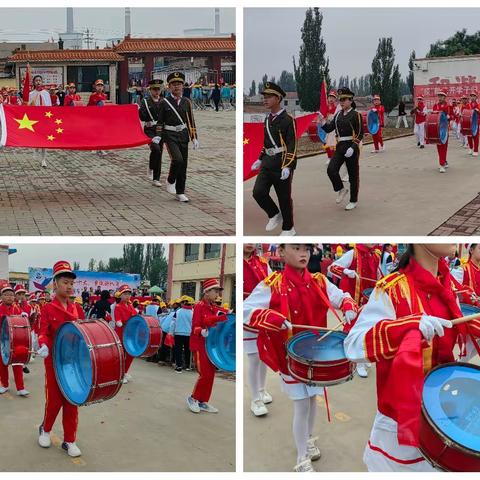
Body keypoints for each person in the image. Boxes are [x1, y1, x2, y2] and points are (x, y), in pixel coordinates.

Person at [344, 244, 480, 471]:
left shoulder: (448, 288)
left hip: (442, 417)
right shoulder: (391, 289)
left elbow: (458, 358)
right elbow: (353, 346)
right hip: (398, 422)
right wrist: (404, 328)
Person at [243, 244, 358, 472]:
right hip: (292, 358)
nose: (303, 254)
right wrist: (272, 317)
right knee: (302, 406)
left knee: (312, 401)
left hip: (317, 356)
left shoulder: (319, 281)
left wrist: (347, 305)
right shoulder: (272, 284)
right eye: (296, 249)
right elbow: (247, 309)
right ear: (282, 252)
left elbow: (340, 296)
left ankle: (307, 439)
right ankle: (301, 458)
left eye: (306, 249)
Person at [37, 261, 82, 457]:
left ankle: (69, 440)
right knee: (54, 400)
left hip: (72, 362)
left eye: (71, 283)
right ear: (55, 284)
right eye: (65, 282)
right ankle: (45, 430)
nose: (69, 286)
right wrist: (43, 344)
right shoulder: (47, 309)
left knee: (72, 400)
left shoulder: (77, 309)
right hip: (54, 361)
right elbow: (43, 331)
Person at [328, 243, 382, 378]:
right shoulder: (353, 253)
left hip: (368, 298)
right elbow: (331, 267)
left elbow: (378, 274)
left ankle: (363, 357)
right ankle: (357, 362)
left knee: (368, 328)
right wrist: (346, 272)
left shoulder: (375, 255)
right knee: (354, 329)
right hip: (353, 297)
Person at [251, 82, 297, 235]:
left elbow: (292, 145)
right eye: (264, 97)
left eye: (269, 97)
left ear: (278, 98)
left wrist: (287, 166)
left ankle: (289, 228)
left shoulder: (288, 120)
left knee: (284, 197)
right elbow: (267, 143)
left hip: (282, 162)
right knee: (258, 192)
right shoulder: (267, 119)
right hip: (267, 162)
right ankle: (274, 214)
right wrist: (259, 158)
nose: (265, 100)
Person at [187, 278, 228, 414]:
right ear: (206, 292)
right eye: (215, 291)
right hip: (199, 345)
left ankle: (203, 401)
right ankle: (193, 399)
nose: (217, 294)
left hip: (210, 346)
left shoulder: (213, 307)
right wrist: (202, 331)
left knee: (210, 374)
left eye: (218, 291)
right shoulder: (199, 306)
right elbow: (195, 327)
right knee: (204, 374)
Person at [156, 72, 199, 202]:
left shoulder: (187, 102)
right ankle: (170, 180)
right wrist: (158, 136)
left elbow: (190, 120)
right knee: (177, 159)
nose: (177, 87)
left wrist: (194, 137)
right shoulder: (164, 102)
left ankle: (180, 192)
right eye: (174, 85)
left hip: (183, 134)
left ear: (182, 86)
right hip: (169, 134)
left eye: (179, 84)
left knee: (183, 164)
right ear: (169, 87)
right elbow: (160, 121)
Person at [320, 87, 363, 211]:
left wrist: (353, 147)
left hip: (351, 147)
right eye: (340, 100)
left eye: (344, 99)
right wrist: (322, 122)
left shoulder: (356, 115)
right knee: (331, 169)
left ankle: (353, 200)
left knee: (353, 175)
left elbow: (360, 133)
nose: (342, 102)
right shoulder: (338, 114)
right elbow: (329, 128)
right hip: (340, 146)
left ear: (350, 100)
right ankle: (341, 189)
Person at [243, 243, 272, 416]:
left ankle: (262, 389)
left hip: (263, 314)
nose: (249, 244)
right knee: (254, 357)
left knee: (264, 355)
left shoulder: (262, 262)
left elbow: (272, 285)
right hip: (247, 314)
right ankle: (255, 400)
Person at [0, 282, 29, 396]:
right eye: (6, 295)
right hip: (2, 341)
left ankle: (20, 388)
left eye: (11, 295)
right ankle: (5, 385)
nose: (9, 297)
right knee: (2, 364)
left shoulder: (17, 308)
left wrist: (23, 315)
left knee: (18, 363)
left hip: (15, 340)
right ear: (1, 296)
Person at [139, 79, 165, 187]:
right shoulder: (145, 101)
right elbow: (142, 117)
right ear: (150, 90)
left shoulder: (163, 101)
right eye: (154, 89)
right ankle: (151, 167)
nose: (156, 91)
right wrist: (140, 111)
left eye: (158, 89)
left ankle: (156, 178)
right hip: (150, 130)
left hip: (160, 129)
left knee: (159, 153)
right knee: (156, 149)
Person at [113, 284, 137, 383]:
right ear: (120, 295)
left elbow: (135, 317)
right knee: (121, 355)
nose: (127, 296)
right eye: (125, 294)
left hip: (130, 334)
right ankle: (119, 374)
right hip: (121, 334)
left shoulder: (131, 306)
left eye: (129, 294)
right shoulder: (118, 307)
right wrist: (120, 322)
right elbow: (118, 321)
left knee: (131, 354)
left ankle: (125, 372)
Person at [28, 75, 52, 168]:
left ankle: (43, 159)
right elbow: (29, 107)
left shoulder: (46, 93)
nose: (38, 82)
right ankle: (36, 149)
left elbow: (49, 106)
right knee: (36, 137)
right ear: (34, 83)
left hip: (44, 118)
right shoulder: (31, 94)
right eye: (36, 80)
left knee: (44, 140)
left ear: (42, 82)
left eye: (40, 80)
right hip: (35, 118)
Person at [170, 296, 193, 372]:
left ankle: (179, 366)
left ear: (183, 303)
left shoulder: (178, 312)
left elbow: (173, 323)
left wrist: (171, 333)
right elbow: (194, 324)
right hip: (189, 334)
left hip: (178, 333)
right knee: (188, 350)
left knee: (178, 350)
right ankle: (187, 366)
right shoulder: (193, 312)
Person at [88, 79, 108, 156]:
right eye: (98, 86)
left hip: (102, 118)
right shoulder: (92, 96)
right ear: (95, 87)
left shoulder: (105, 96)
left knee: (102, 133)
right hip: (95, 117)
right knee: (95, 132)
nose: (100, 87)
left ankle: (101, 148)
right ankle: (94, 147)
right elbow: (89, 106)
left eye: (101, 86)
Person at [432, 91, 450, 173]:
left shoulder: (447, 106)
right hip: (437, 129)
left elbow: (451, 115)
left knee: (443, 147)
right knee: (439, 147)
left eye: (441, 96)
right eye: (439, 96)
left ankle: (442, 164)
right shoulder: (435, 106)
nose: (440, 97)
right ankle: (444, 161)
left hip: (444, 129)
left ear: (444, 97)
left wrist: (449, 117)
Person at [324, 90, 339, 162]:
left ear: (335, 99)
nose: (331, 99)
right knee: (326, 143)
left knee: (332, 143)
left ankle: (333, 158)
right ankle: (329, 157)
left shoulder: (337, 108)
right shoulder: (325, 107)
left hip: (333, 128)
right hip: (327, 127)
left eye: (333, 97)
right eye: (330, 97)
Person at [467, 91, 479, 157]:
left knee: (475, 137)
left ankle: (476, 150)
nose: (472, 97)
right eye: (471, 96)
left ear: (476, 97)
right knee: (469, 136)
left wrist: (478, 111)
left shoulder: (478, 105)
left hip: (476, 123)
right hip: (468, 123)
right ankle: (471, 148)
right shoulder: (468, 105)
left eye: (474, 96)